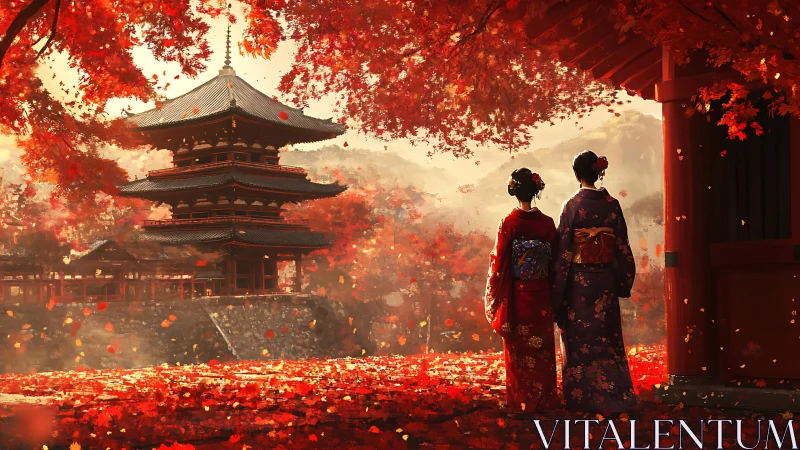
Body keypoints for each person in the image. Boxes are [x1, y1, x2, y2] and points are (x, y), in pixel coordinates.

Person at [552, 150, 637, 413]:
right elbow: (621, 244)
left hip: (578, 282)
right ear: (598, 171)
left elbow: (563, 250)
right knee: (606, 336)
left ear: (577, 174)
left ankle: (583, 397)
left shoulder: (572, 205)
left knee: (581, 337)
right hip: (605, 281)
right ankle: (613, 393)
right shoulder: (611, 204)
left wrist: (558, 289)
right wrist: (623, 279)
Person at [484, 168, 560, 413]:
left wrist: (495, 287)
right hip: (542, 294)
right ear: (536, 190)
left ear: (513, 191)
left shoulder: (509, 222)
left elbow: (499, 260)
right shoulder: (547, 223)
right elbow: (555, 260)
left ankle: (521, 402)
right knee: (542, 349)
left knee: (519, 350)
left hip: (517, 294)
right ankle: (545, 400)